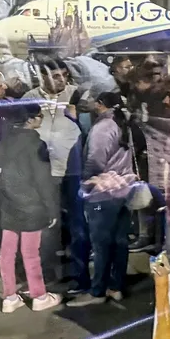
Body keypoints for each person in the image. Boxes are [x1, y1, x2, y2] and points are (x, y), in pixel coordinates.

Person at [0, 101, 63, 313]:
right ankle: (39, 296)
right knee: (30, 253)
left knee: (7, 252)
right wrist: (52, 209)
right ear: (30, 120)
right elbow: (43, 181)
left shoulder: (1, 141)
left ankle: (9, 297)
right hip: (31, 206)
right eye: (39, 116)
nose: (41, 119)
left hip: (8, 203)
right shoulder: (36, 144)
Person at [68, 92, 134, 307]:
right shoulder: (123, 123)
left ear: (100, 104)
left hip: (103, 194)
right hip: (123, 190)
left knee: (101, 245)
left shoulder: (103, 128)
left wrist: (85, 183)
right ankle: (116, 287)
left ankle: (97, 291)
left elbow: (95, 161)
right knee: (120, 242)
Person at [22, 58, 81, 284]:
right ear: (42, 76)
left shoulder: (74, 94)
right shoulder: (29, 98)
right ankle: (47, 272)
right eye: (56, 76)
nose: (62, 80)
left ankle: (78, 271)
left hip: (72, 169)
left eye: (65, 75)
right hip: (45, 170)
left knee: (76, 220)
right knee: (49, 221)